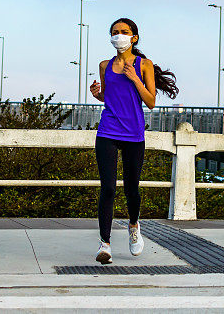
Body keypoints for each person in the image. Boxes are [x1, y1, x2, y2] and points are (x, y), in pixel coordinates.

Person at [89, 17, 178, 264]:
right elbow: (108, 97)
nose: (119, 36)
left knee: (131, 188)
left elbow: (150, 101)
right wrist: (97, 94)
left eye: (124, 32)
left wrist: (135, 78)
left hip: (134, 133)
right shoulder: (105, 65)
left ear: (134, 37)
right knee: (107, 188)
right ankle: (104, 244)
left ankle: (133, 225)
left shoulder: (144, 65)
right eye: (115, 32)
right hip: (107, 130)